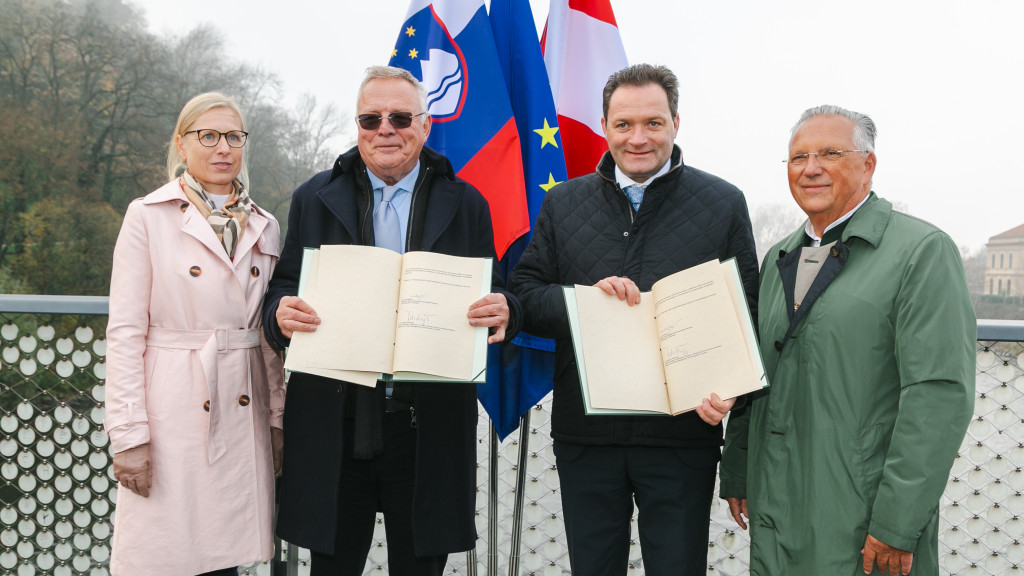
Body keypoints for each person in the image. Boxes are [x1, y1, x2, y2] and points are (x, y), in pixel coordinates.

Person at [262, 65, 521, 576]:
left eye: (400, 118)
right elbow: (282, 287)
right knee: (331, 567)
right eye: (370, 118)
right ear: (357, 126)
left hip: (427, 425)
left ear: (425, 126)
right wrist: (279, 313)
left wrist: (503, 309)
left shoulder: (467, 202)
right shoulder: (313, 197)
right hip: (336, 421)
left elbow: (494, 291)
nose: (385, 129)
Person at [509, 63, 759, 576]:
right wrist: (585, 301)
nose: (638, 138)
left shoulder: (723, 203)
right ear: (604, 126)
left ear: (676, 124)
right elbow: (524, 298)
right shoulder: (563, 203)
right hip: (587, 437)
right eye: (624, 124)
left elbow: (747, 312)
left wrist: (732, 389)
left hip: (682, 438)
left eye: (653, 123)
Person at [719, 105, 976, 576]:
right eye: (798, 157)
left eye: (830, 153)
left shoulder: (921, 252)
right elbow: (754, 373)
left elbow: (937, 397)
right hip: (776, 503)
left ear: (868, 164)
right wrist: (737, 470)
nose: (811, 168)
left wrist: (898, 522)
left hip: (861, 515)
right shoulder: (779, 257)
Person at [104, 92, 286, 576]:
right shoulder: (148, 215)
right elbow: (125, 334)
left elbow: (267, 338)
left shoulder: (265, 225)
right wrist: (128, 434)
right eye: (208, 136)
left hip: (243, 405)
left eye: (234, 137)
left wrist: (278, 418)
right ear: (182, 145)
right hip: (171, 411)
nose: (223, 147)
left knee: (225, 558)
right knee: (164, 554)